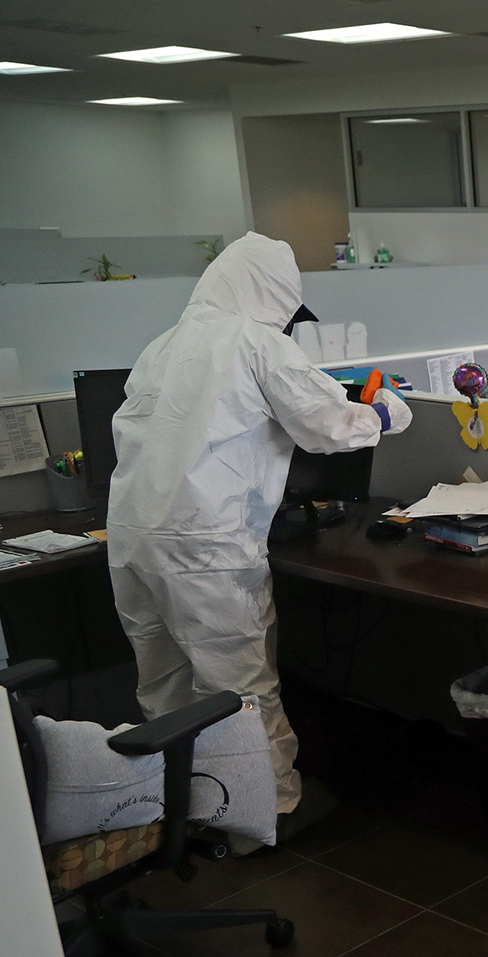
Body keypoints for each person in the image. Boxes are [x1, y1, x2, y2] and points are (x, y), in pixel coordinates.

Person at [107, 232, 411, 848]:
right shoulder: (256, 342)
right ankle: (263, 817)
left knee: (165, 687)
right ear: (272, 295)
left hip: (132, 540)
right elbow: (327, 424)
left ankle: (183, 809)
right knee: (241, 690)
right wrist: (383, 412)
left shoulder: (161, 347)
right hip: (205, 547)